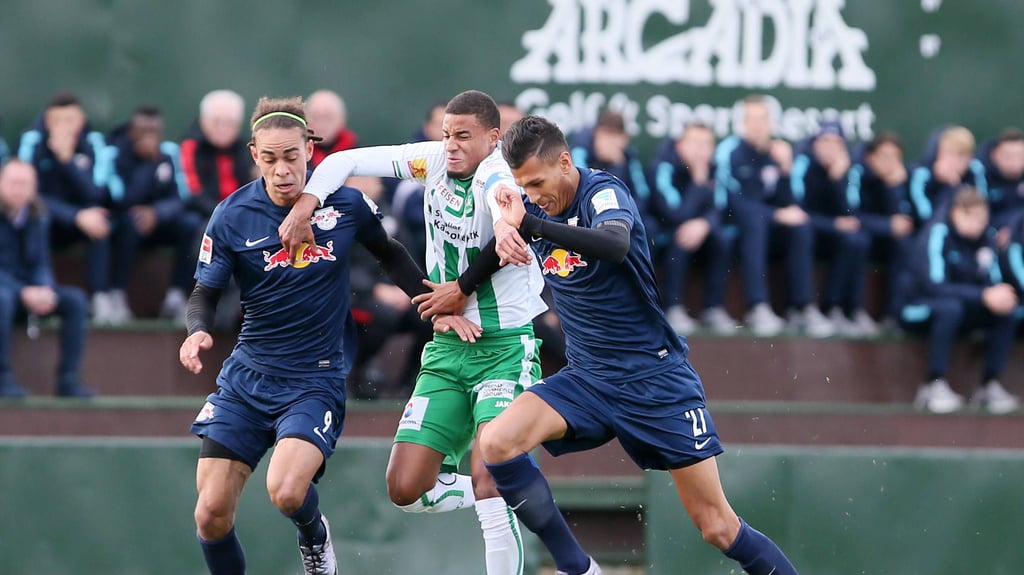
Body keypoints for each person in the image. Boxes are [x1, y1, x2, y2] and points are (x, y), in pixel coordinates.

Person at [483, 115, 799, 575]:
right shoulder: (533, 207)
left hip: (654, 380)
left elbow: (613, 244)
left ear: (565, 161)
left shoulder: (603, 192)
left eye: (537, 182)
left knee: (717, 526)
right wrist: (464, 280)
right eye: (523, 186)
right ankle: (579, 568)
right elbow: (502, 207)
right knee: (496, 443)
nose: (533, 195)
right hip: (588, 378)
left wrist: (529, 223)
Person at [278, 90, 547, 575]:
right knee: (406, 489)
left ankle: (499, 490)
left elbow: (503, 199)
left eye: (463, 136)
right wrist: (306, 204)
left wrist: (508, 224)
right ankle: (512, 491)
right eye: (445, 134)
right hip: (447, 346)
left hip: (505, 347)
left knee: (491, 473)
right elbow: (345, 160)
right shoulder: (431, 162)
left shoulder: (496, 173)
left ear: (493, 138)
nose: (451, 145)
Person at [178, 96, 438, 575]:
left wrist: (436, 304)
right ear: (254, 154)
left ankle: (314, 536)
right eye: (270, 158)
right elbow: (205, 293)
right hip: (246, 380)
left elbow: (392, 254)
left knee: (287, 491)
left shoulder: (346, 204)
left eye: (291, 156)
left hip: (313, 379)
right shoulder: (231, 215)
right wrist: (196, 332)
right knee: (211, 513)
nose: (282, 169)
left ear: (310, 150)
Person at [716, 95, 833, 337]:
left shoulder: (779, 152)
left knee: (801, 226)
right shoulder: (730, 151)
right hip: (738, 228)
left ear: (772, 123)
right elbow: (734, 203)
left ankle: (801, 307)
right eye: (752, 119)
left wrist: (787, 171)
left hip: (771, 228)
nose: (758, 125)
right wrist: (777, 214)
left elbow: (792, 203)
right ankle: (757, 306)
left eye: (763, 119)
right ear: (742, 123)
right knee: (755, 222)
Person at [898, 186, 1019, 414]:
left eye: (982, 217)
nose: (978, 223)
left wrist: (997, 294)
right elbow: (934, 285)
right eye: (971, 217)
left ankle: (988, 385)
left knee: (1006, 310)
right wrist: (983, 296)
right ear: (955, 213)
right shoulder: (938, 233)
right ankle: (934, 384)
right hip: (917, 307)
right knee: (950, 309)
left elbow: (991, 282)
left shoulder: (987, 239)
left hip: (963, 307)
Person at [17, 91, 117, 323]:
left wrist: (67, 160)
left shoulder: (93, 142)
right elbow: (27, 194)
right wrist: (74, 216)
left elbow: (97, 192)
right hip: (48, 219)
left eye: (70, 120)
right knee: (36, 218)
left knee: (100, 220)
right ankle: (44, 294)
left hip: (83, 222)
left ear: (81, 120)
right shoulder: (32, 141)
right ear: (47, 121)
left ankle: (100, 297)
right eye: (56, 121)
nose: (63, 127)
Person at [0, 160, 93, 398]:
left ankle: (68, 380)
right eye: (13, 183)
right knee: (3, 299)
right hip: (7, 292)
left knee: (75, 300)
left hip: (27, 291)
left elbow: (41, 261)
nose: (18, 189)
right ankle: (3, 378)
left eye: (25, 183)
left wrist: (45, 288)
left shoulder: (38, 215)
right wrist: (23, 291)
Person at [106, 105, 203, 323]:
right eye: (144, 131)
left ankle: (176, 296)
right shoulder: (115, 154)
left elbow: (183, 196)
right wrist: (149, 165)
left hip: (160, 221)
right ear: (131, 131)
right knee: (129, 222)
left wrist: (157, 213)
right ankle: (116, 295)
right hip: (127, 224)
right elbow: (119, 198)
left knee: (191, 224)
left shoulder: (169, 152)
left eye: (154, 131)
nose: (150, 137)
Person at [790, 118, 877, 336]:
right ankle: (802, 308)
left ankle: (841, 308)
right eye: (825, 141)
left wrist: (836, 180)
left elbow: (851, 213)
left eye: (837, 143)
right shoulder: (802, 164)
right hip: (800, 233)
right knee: (802, 231)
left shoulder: (848, 170)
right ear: (815, 143)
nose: (830, 148)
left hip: (828, 234)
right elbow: (798, 211)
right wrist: (833, 223)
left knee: (857, 240)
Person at [648, 122, 737, 335]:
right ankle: (673, 307)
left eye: (706, 144)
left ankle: (713, 308)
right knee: (681, 237)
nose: (700, 150)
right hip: (665, 231)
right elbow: (674, 214)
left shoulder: (715, 169)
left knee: (722, 239)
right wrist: (698, 183)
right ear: (680, 145)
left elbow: (720, 207)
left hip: (701, 231)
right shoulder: (662, 166)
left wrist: (705, 224)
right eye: (695, 143)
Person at [180, 89, 255, 330]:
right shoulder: (191, 146)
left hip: (237, 215)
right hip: (204, 215)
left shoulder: (245, 151)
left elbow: (252, 188)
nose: (224, 128)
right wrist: (224, 214)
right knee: (201, 231)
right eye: (217, 122)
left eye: (230, 123)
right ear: (204, 122)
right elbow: (192, 192)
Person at [847, 132, 915, 327]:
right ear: (871, 157)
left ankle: (893, 315)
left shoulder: (899, 179)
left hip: (884, 239)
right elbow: (851, 215)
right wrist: (886, 225)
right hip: (862, 235)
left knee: (904, 244)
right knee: (858, 240)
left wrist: (892, 188)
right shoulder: (856, 172)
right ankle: (856, 311)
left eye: (896, 158)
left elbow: (904, 220)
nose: (890, 163)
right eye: (885, 157)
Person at [907, 125, 986, 229]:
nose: (954, 162)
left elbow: (982, 209)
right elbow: (925, 217)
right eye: (949, 154)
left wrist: (957, 186)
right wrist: (948, 186)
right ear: (939, 154)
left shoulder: (975, 170)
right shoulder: (922, 174)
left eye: (961, 156)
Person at [978, 127, 1024, 232]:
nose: (1015, 163)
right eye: (1008, 157)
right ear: (994, 154)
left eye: (1021, 157)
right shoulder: (979, 175)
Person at [305, 89, 359, 167]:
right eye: (315, 117)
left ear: (341, 119)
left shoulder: (358, 153)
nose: (321, 124)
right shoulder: (299, 152)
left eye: (328, 117)